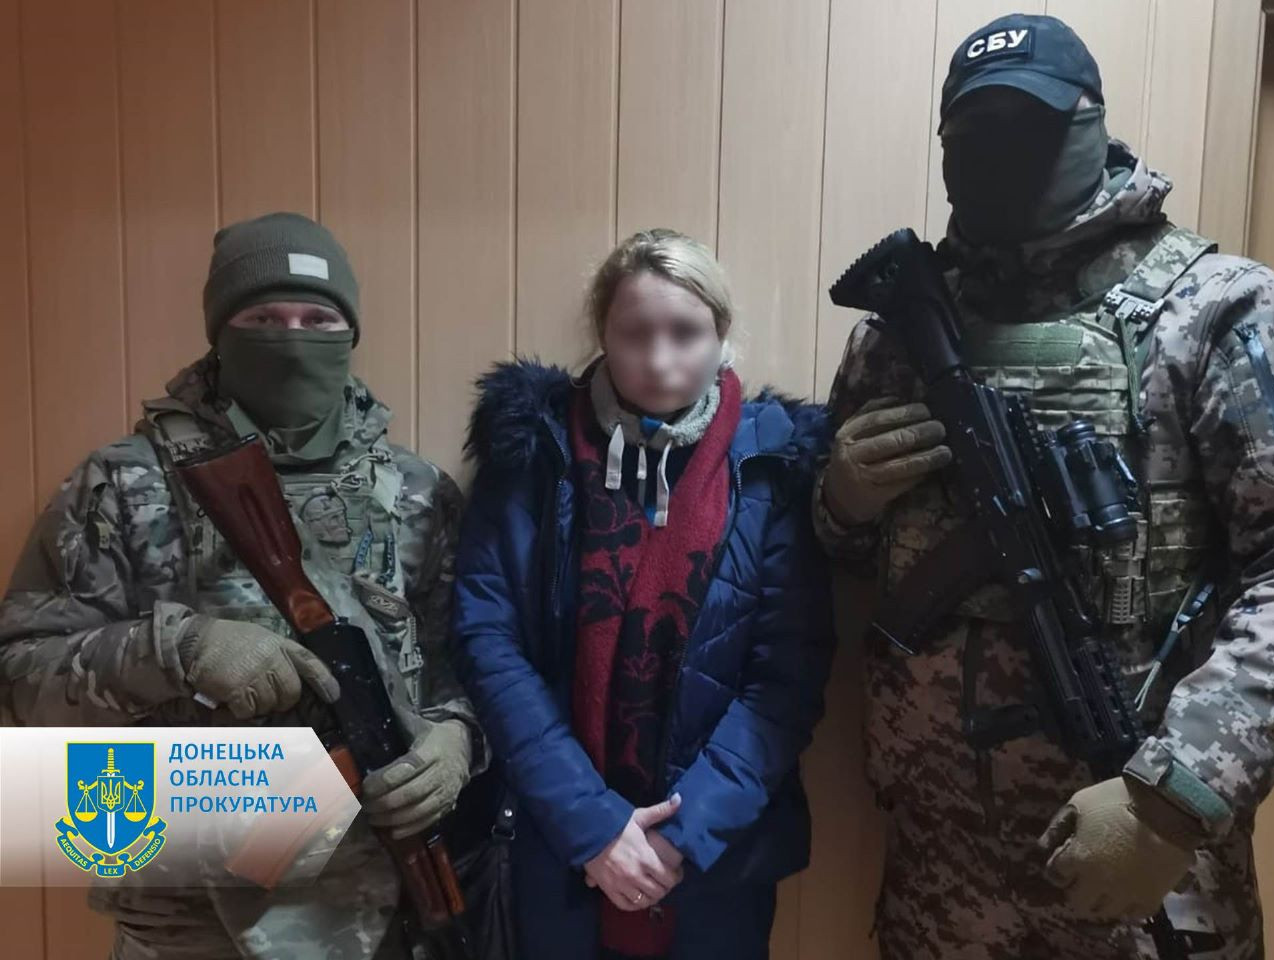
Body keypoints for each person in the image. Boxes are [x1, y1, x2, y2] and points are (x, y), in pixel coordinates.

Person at [815, 14, 1274, 959]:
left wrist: (1175, 792)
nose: (999, 153)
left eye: (1029, 126)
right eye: (974, 132)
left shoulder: (1218, 308)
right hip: (939, 876)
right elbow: (851, 561)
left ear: (1091, 124)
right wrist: (840, 505)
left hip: (1143, 855)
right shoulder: (897, 331)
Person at [0, 212, 485, 959]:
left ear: (350, 333)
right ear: (219, 333)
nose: (292, 337)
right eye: (263, 318)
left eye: (318, 319)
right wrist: (180, 650)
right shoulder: (123, 484)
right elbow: (19, 683)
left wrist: (456, 738)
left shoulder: (417, 493)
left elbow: (463, 662)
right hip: (184, 921)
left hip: (376, 913)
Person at [452, 229, 835, 959]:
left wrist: (680, 838)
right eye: (635, 334)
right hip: (555, 842)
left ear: (721, 334)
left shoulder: (774, 463)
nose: (660, 361)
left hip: (718, 857)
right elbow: (487, 640)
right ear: (603, 333)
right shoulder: (533, 450)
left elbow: (787, 675)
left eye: (685, 333)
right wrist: (592, 825)